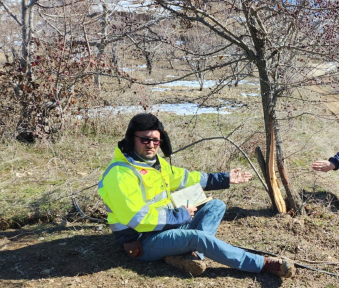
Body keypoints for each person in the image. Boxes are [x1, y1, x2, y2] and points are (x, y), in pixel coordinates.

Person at [98, 113, 294, 278]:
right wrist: (180, 215)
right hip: (143, 241)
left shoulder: (154, 164)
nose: (151, 145)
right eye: (145, 139)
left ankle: (191, 256)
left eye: (155, 140)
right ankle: (263, 264)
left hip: (164, 227)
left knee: (215, 206)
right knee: (198, 237)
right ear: (131, 139)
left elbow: (184, 178)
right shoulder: (120, 174)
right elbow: (138, 219)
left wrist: (224, 179)